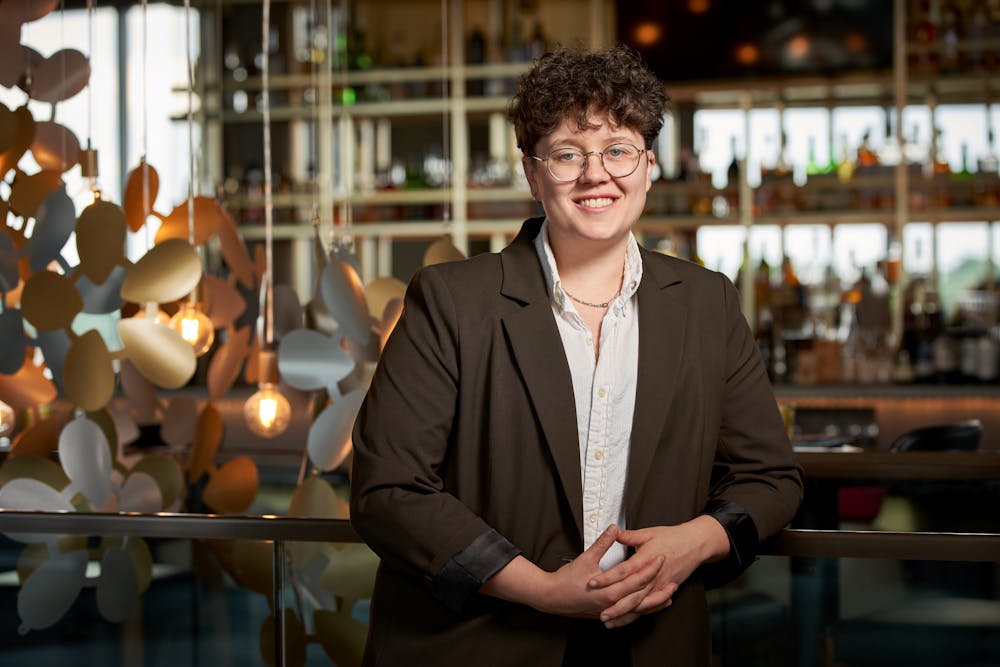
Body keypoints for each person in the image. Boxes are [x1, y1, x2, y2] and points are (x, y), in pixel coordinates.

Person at [350, 45, 803, 667]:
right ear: (533, 174)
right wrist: (542, 589)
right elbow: (389, 490)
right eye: (567, 154)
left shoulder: (708, 303)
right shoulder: (451, 301)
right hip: (486, 643)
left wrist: (694, 543)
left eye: (618, 150)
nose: (596, 174)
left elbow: (771, 478)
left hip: (651, 641)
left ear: (648, 166)